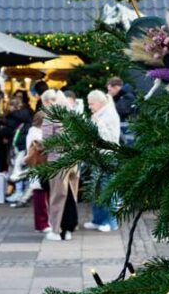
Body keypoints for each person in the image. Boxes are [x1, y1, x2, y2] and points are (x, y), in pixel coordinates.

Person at [40, 89, 79, 241]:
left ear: (48, 102)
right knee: (71, 194)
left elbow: (47, 142)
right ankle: (70, 228)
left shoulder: (51, 115)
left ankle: (57, 230)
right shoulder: (71, 113)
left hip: (57, 160)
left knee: (58, 196)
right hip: (73, 159)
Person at [84, 90, 121, 232]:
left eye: (91, 104)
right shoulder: (100, 114)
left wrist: (97, 123)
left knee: (107, 189)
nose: (90, 107)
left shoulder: (109, 114)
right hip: (98, 156)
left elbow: (109, 138)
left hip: (107, 156)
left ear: (100, 103)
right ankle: (98, 220)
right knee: (97, 189)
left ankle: (110, 222)